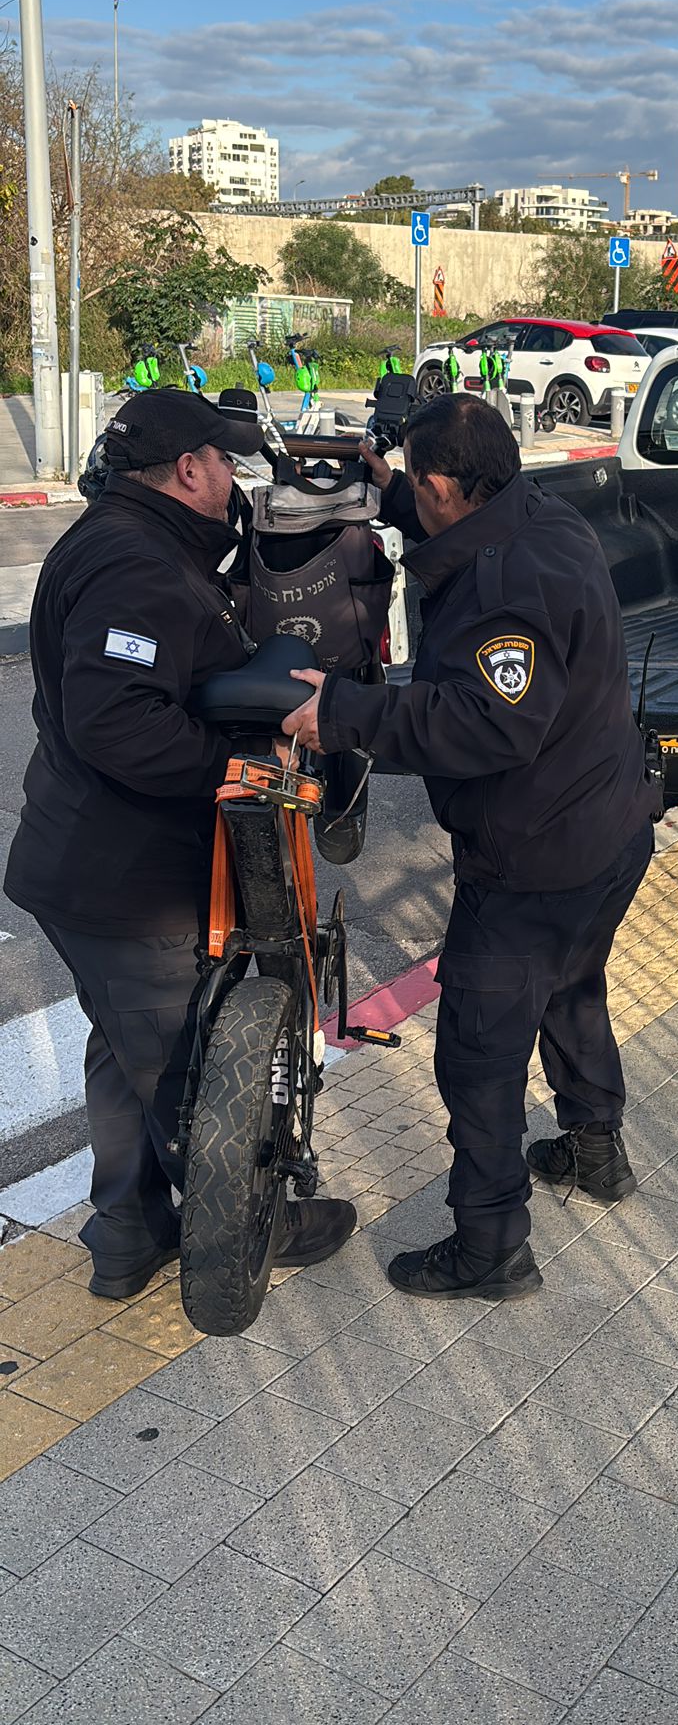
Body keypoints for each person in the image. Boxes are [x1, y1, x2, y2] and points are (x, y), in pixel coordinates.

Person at [283, 395, 659, 1301]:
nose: (412, 493)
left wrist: (341, 713)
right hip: (610, 828)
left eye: (418, 481)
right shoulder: (543, 515)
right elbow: (466, 518)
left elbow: (488, 721)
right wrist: (390, 485)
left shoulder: (502, 590)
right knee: (572, 988)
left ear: (446, 484)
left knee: (478, 1053)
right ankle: (593, 1149)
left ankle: (491, 1246)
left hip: (536, 857)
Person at [5, 389, 356, 1300]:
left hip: (92, 864)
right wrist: (232, 770)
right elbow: (118, 723)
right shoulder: (137, 564)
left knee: (127, 1040)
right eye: (225, 463)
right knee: (188, 1066)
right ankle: (255, 1223)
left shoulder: (132, 541)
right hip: (125, 877)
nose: (235, 481)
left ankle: (128, 1229)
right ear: (189, 470)